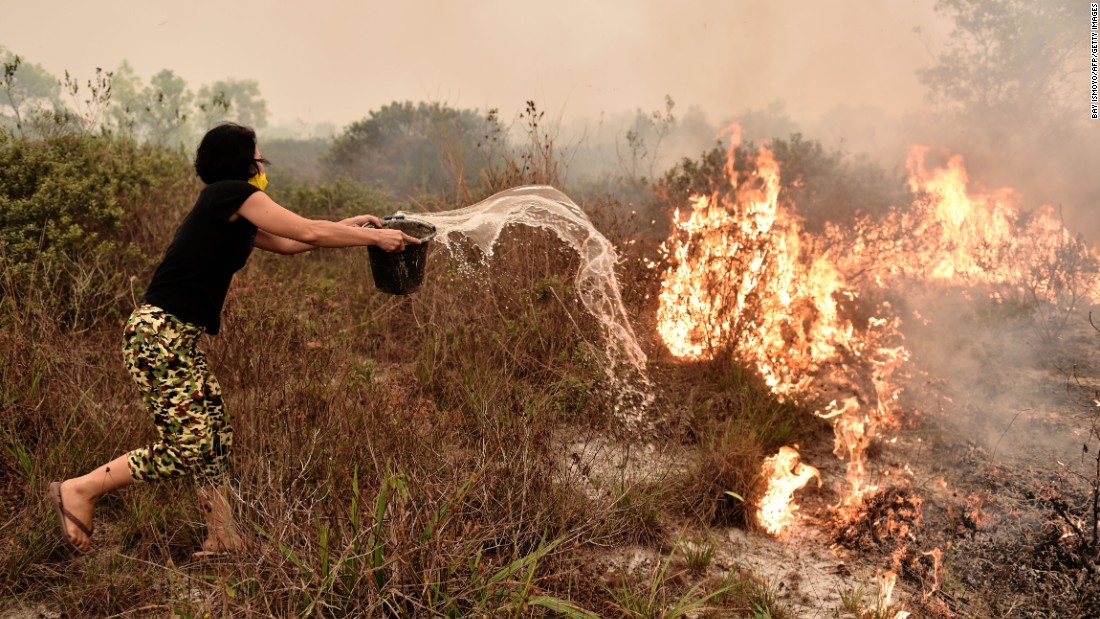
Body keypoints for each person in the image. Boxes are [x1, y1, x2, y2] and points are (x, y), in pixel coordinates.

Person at [48, 122, 419, 554]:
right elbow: (308, 232)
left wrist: (352, 226)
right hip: (158, 335)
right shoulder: (232, 194)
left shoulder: (233, 207)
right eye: (257, 155)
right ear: (242, 160)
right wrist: (375, 236)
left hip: (173, 338)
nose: (262, 163)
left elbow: (294, 241)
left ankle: (221, 537)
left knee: (215, 438)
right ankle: (81, 489)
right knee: (188, 446)